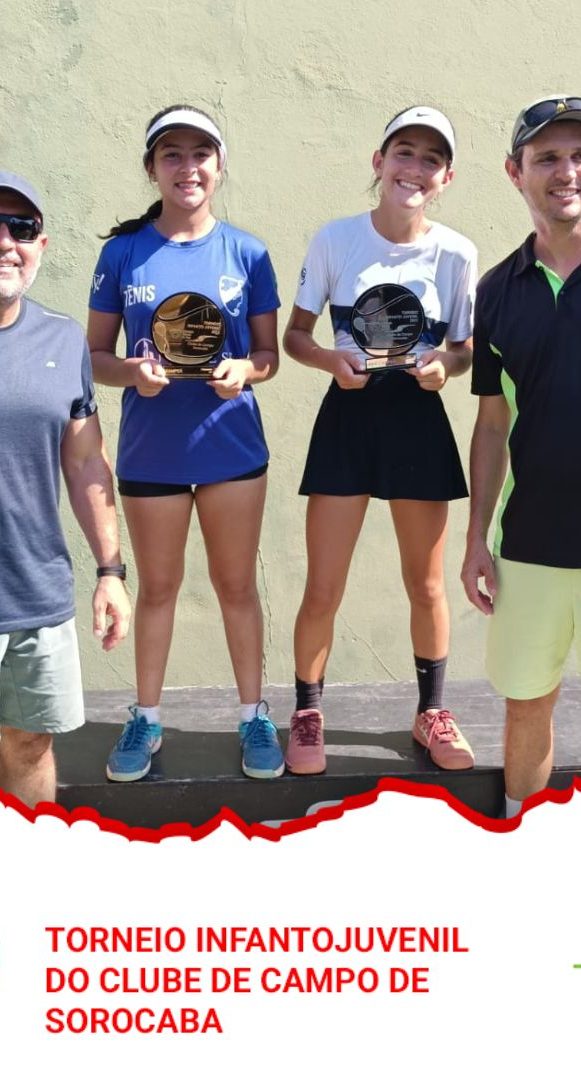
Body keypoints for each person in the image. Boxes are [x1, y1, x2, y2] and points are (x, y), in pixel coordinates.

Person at [87, 105, 282, 783]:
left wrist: (245, 369)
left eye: (201, 153)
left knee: (236, 587)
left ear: (219, 166)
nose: (188, 166)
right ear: (152, 168)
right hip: (153, 454)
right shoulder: (122, 254)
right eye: (172, 154)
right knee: (159, 590)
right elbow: (95, 357)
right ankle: (145, 718)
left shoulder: (248, 253)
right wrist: (132, 374)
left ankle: (254, 716)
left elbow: (267, 355)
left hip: (232, 450)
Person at [283, 106, 478, 775]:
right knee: (323, 587)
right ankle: (307, 713)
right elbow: (295, 336)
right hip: (347, 416)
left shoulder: (456, 253)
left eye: (431, 159)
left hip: (416, 421)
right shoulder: (335, 240)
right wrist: (328, 361)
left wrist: (444, 368)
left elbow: (462, 350)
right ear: (379, 162)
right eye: (404, 152)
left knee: (426, 585)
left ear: (446, 177)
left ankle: (432, 712)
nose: (414, 168)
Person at [461, 95, 581, 818]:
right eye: (548, 158)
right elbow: (490, 424)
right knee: (528, 705)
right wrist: (476, 537)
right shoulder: (497, 291)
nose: (567, 171)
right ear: (516, 172)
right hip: (532, 544)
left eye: (579, 156)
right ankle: (521, 849)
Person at [0, 171, 131, 810]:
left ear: (41, 245)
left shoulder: (61, 340)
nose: (6, 242)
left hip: (33, 594)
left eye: (20, 228)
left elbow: (85, 465)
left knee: (29, 746)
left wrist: (111, 571)